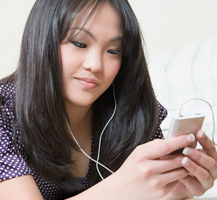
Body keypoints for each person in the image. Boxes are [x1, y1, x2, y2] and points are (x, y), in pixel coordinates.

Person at [0, 0, 216, 199]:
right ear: (42, 40)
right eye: (79, 43)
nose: (95, 65)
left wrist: (176, 191)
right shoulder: (4, 113)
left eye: (113, 51)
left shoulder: (135, 112)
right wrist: (122, 187)